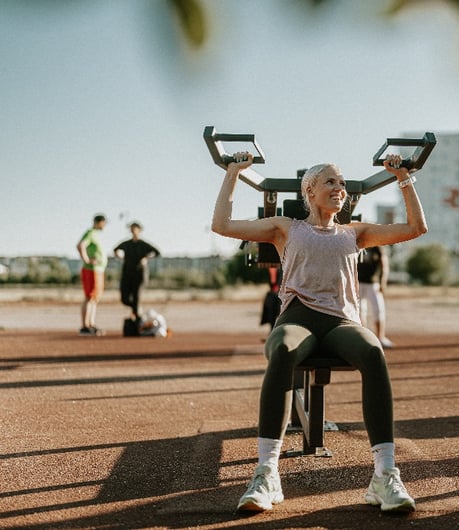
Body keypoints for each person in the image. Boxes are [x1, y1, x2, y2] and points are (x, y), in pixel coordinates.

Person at [212, 151, 427, 513]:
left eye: (341, 182)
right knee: (281, 348)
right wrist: (233, 172)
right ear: (309, 191)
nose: (339, 188)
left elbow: (415, 228)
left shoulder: (354, 232)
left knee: (374, 352)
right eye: (330, 181)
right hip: (299, 319)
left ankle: (385, 475)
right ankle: (267, 473)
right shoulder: (286, 228)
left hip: (341, 321)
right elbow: (222, 224)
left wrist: (403, 177)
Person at [113, 222, 160, 320]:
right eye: (131, 229)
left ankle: (137, 318)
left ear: (139, 230)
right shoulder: (127, 244)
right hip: (127, 273)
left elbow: (157, 252)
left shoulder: (143, 244)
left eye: (135, 229)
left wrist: (146, 258)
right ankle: (137, 309)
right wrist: (119, 255)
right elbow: (115, 249)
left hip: (139, 273)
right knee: (124, 298)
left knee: (136, 296)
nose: (133, 231)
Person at [76, 214, 108, 336]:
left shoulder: (96, 235)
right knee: (89, 297)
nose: (104, 225)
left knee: (95, 298)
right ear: (98, 222)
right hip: (91, 269)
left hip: (99, 269)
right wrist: (87, 260)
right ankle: (85, 326)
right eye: (103, 223)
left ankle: (91, 324)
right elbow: (81, 245)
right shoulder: (90, 232)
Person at [357, 245, 394, 348]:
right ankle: (363, 338)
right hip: (358, 283)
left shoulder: (377, 247)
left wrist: (383, 281)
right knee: (359, 311)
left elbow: (384, 264)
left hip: (373, 283)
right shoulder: (359, 244)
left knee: (378, 309)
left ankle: (380, 337)